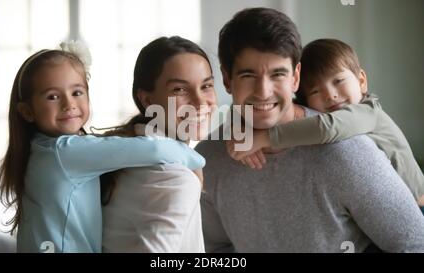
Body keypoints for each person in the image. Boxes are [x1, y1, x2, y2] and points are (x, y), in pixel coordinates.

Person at [196, 8, 424, 252]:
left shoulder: (346, 149)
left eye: (278, 74)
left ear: (295, 78)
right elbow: (216, 249)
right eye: (248, 75)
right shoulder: (208, 158)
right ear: (227, 79)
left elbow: (414, 244)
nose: (263, 92)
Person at [0, 41, 206, 253]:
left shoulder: (40, 150)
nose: (68, 104)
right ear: (27, 111)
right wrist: (194, 161)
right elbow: (154, 149)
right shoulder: (65, 152)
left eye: (77, 92)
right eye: (53, 96)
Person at [227, 38, 424, 207]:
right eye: (315, 91)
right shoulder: (309, 115)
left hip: (416, 203)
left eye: (338, 81)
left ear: (362, 81)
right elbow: (272, 108)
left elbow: (328, 127)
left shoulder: (368, 112)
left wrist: (264, 138)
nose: (330, 95)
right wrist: (239, 127)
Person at [101, 36, 217, 253]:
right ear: (147, 100)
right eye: (179, 90)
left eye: (207, 85)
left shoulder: (128, 149)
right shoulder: (175, 178)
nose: (201, 102)